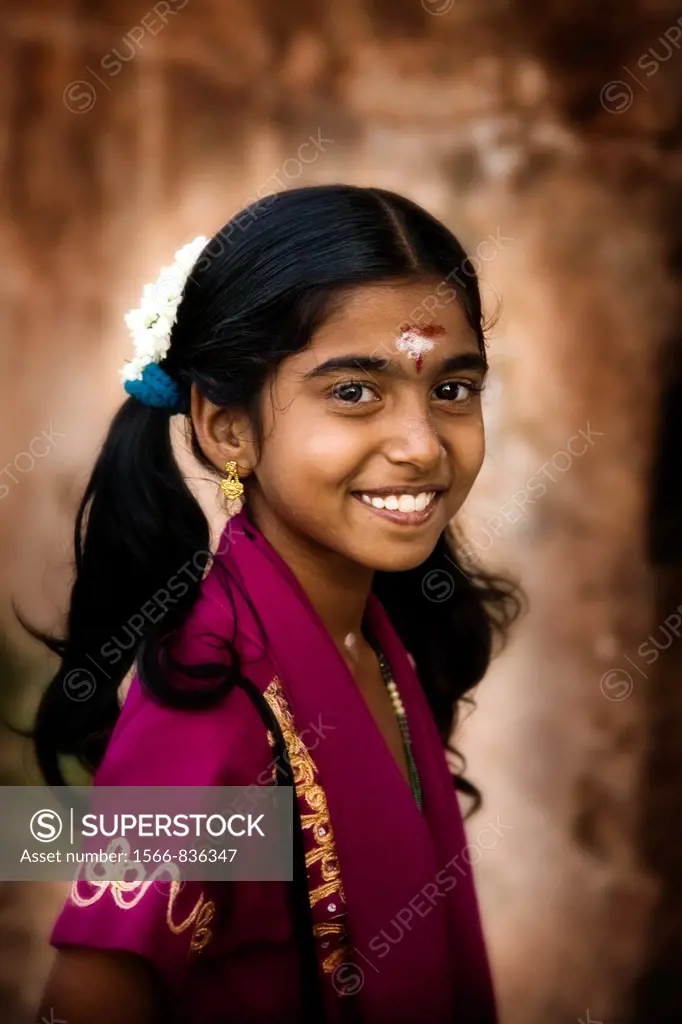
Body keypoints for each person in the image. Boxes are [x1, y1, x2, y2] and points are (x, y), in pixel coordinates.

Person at [32, 184, 521, 1024]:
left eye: (452, 389)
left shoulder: (373, 633)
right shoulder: (211, 703)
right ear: (229, 430)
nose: (422, 445)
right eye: (354, 392)